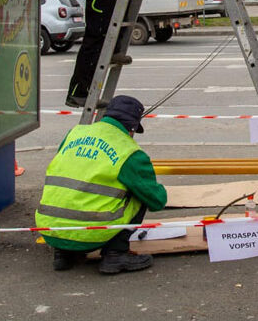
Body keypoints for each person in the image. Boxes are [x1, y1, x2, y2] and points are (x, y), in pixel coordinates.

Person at [35, 95, 167, 275]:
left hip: (50, 230)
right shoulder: (129, 151)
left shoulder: (75, 133)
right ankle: (116, 254)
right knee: (139, 195)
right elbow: (157, 200)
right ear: (132, 128)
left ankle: (64, 254)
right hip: (90, 235)